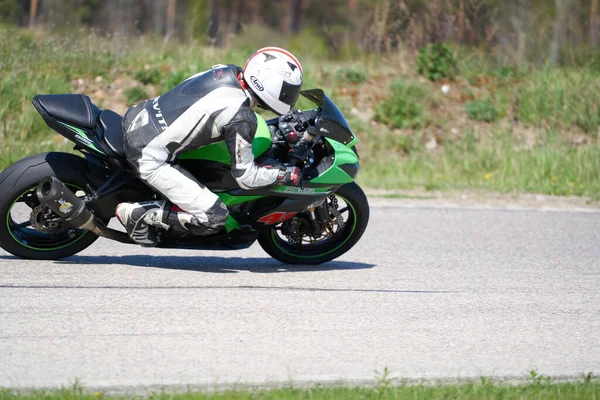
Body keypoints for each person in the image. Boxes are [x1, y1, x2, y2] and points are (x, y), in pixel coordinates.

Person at [115, 47, 304, 245]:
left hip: (139, 116)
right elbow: (246, 177)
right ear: (270, 83)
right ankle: (138, 214)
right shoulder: (241, 118)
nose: (289, 96)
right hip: (148, 155)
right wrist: (285, 174)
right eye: (287, 91)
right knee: (215, 217)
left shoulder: (226, 71)